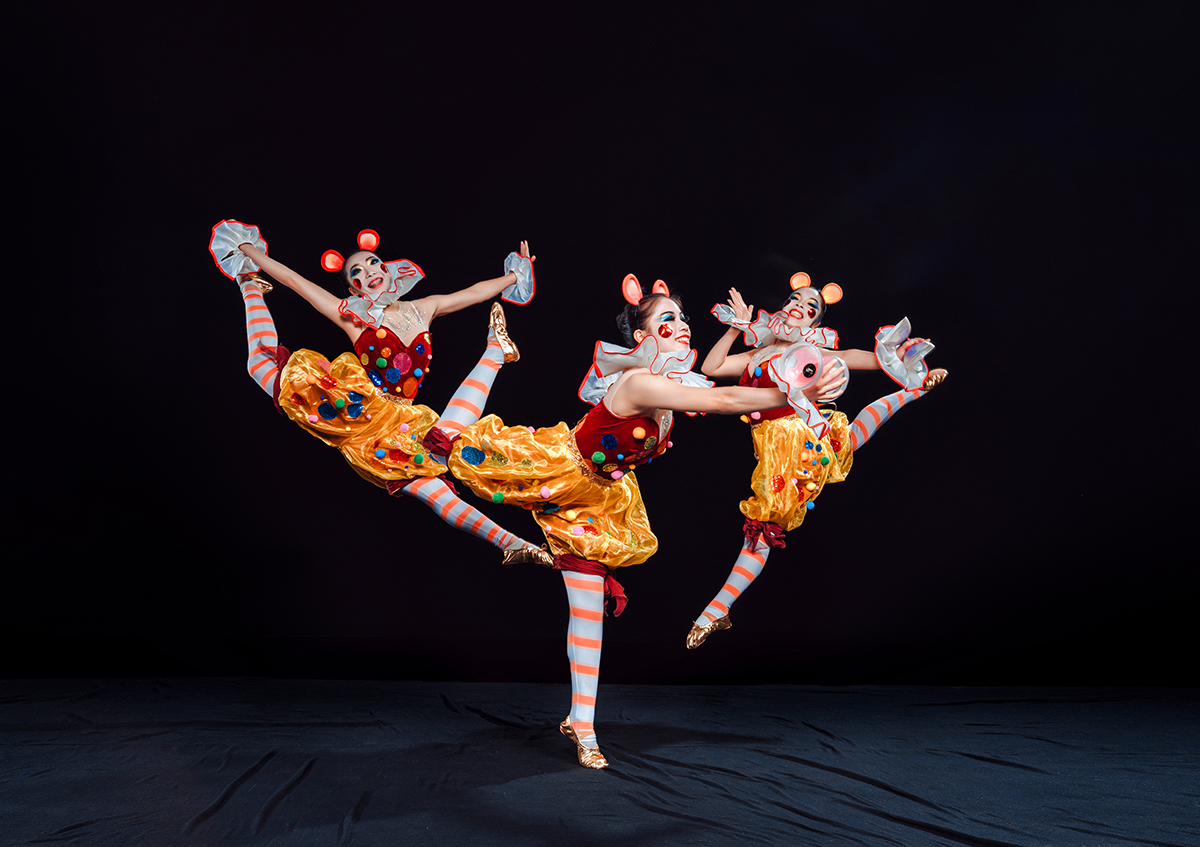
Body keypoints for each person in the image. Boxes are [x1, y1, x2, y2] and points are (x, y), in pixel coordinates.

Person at [446, 274, 841, 768]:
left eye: (683, 317)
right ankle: (494, 355)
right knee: (449, 443)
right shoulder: (637, 382)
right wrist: (796, 392)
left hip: (600, 501)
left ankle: (581, 724)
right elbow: (724, 400)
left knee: (586, 615)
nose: (683, 324)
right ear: (642, 336)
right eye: (668, 318)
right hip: (560, 469)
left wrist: (798, 387)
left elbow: (726, 392)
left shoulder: (671, 385)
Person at [208, 220, 549, 565]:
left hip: (400, 424)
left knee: (433, 491)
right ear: (354, 289)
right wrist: (247, 250)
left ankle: (515, 544)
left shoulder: (424, 308)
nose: (368, 270)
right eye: (356, 271)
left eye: (373, 262)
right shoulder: (352, 316)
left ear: (387, 271)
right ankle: (249, 283)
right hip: (357, 407)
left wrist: (514, 275)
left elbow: (474, 292)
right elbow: (295, 281)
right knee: (259, 364)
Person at [686, 273, 948, 648]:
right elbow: (711, 368)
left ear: (814, 323)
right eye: (795, 299)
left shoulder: (805, 350)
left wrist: (889, 359)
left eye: (811, 307)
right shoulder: (758, 353)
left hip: (798, 437)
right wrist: (735, 327)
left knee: (764, 527)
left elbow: (849, 357)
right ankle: (915, 392)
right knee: (845, 443)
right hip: (771, 445)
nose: (800, 306)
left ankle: (716, 610)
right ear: (783, 306)